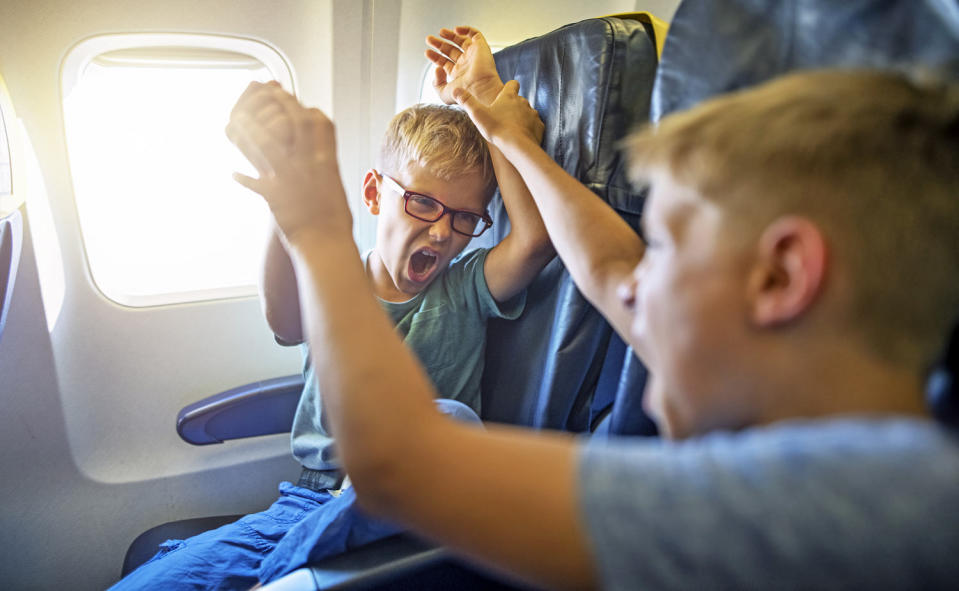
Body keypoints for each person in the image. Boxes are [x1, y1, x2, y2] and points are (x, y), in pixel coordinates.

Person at [227, 36, 959, 591]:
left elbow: (398, 461)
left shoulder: (835, 505)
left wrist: (311, 223)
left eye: (664, 246)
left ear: (780, 276)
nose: (630, 289)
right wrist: (501, 125)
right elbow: (607, 267)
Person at [111, 30, 552, 589]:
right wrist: (285, 202)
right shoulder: (335, 282)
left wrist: (484, 106)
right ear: (374, 193)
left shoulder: (465, 287)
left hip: (416, 502)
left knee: (450, 423)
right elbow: (285, 323)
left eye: (466, 218)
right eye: (422, 202)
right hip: (307, 503)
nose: (443, 232)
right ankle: (273, 567)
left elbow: (535, 241)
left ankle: (271, 570)